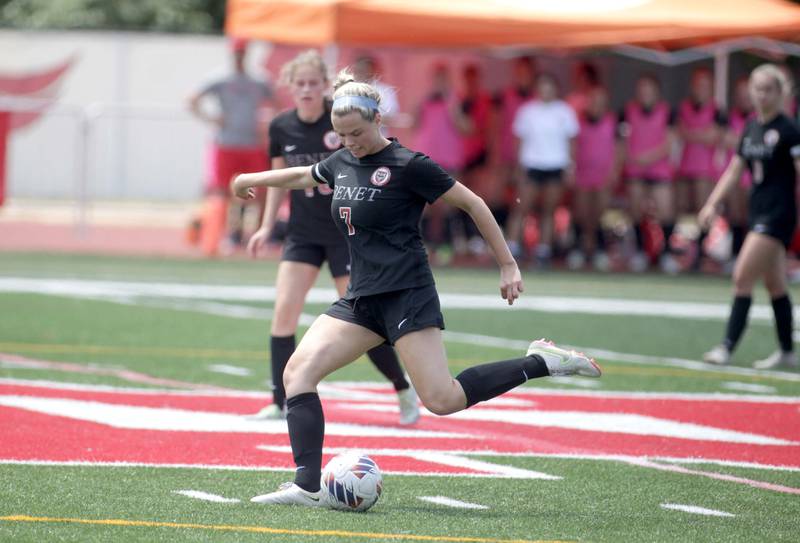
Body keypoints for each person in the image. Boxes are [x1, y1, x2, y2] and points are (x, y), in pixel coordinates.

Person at [232, 69, 602, 506]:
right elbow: (305, 176)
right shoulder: (342, 160)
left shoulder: (410, 165)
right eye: (341, 135)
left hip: (407, 294)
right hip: (361, 299)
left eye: (355, 133)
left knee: (442, 399)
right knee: (298, 373)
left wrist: (507, 264)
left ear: (377, 121)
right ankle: (307, 486)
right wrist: (251, 179)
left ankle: (542, 361)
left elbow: (473, 203)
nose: (349, 143)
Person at [245, 51, 419, 425]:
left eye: (313, 83)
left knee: (362, 319)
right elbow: (281, 179)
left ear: (324, 85)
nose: (306, 90)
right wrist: (265, 224)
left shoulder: (340, 119)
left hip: (345, 234)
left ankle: (403, 388)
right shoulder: (281, 127)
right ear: (289, 87)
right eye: (300, 83)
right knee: (283, 314)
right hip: (303, 234)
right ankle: (280, 401)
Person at [700, 64, 800, 369]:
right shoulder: (752, 126)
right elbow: (735, 169)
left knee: (742, 276)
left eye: (768, 89)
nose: (761, 95)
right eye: (757, 89)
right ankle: (786, 351)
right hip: (758, 209)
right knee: (775, 285)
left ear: (781, 93)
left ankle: (726, 347)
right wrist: (712, 203)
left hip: (778, 213)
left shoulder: (788, 129)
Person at [188, 38, 274, 257]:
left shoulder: (258, 79)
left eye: (242, 52)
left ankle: (254, 237)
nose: (239, 56)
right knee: (221, 192)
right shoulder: (220, 77)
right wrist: (211, 118)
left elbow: (276, 103)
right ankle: (221, 237)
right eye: (236, 53)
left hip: (252, 145)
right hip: (225, 144)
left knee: (259, 191)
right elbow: (191, 99)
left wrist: (267, 124)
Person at [506, 72, 579, 266]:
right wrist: (518, 167)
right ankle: (512, 247)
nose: (546, 89)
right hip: (532, 164)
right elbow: (519, 140)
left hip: (556, 165)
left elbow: (571, 141)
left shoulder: (564, 111)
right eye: (542, 85)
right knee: (521, 207)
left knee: (549, 210)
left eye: (549, 85)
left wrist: (570, 167)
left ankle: (543, 249)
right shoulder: (527, 111)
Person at [620, 74, 680, 274]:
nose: (645, 93)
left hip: (659, 170)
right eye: (641, 88)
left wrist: (647, 158)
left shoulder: (668, 112)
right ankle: (640, 251)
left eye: (649, 88)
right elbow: (621, 142)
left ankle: (665, 253)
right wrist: (630, 159)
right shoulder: (627, 111)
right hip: (635, 170)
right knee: (636, 209)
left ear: (657, 91)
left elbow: (670, 144)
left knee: (666, 210)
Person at [676, 68, 726, 271]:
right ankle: (685, 248)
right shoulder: (684, 107)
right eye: (698, 84)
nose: (701, 89)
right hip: (685, 167)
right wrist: (699, 134)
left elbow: (712, 137)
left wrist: (692, 134)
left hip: (706, 170)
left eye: (705, 85)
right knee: (680, 208)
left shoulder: (717, 110)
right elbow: (681, 132)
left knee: (703, 210)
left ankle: (702, 250)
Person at [567, 86, 620, 272]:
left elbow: (618, 150)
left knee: (599, 213)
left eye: (600, 102)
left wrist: (613, 172)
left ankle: (598, 249)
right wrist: (571, 169)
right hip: (582, 174)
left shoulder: (612, 122)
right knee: (582, 213)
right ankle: (581, 248)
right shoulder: (578, 122)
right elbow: (573, 147)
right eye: (593, 101)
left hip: (603, 175)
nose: (596, 106)